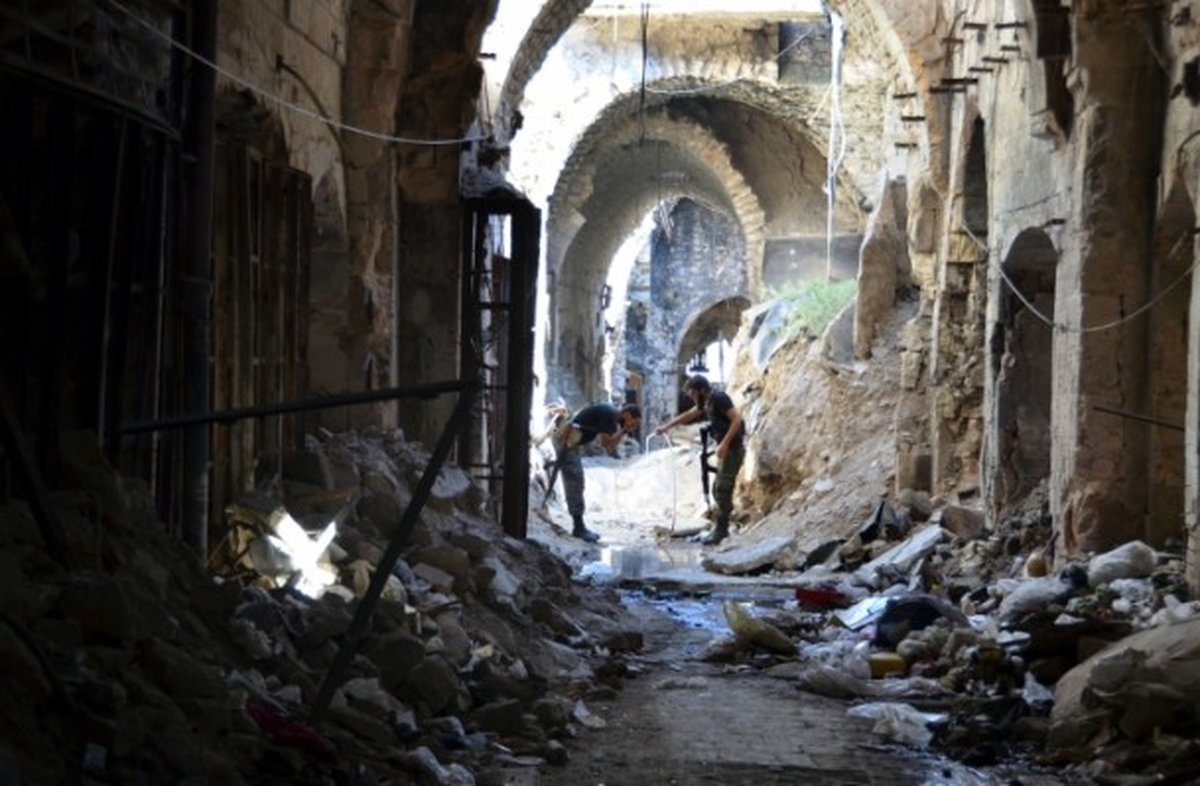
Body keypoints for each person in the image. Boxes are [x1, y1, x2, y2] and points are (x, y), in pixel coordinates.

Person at [655, 374, 744, 545]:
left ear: (702, 390)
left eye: (694, 394)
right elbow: (690, 414)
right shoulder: (707, 402)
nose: (693, 398)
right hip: (726, 450)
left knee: (722, 489)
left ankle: (721, 530)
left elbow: (736, 419)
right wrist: (667, 427)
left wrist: (724, 444)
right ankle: (720, 526)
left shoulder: (719, 398)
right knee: (718, 489)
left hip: (732, 449)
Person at [553, 402, 642, 542]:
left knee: (576, 480)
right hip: (566, 441)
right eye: (634, 423)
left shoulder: (610, 414)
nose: (634, 428)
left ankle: (579, 525)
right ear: (627, 415)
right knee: (575, 481)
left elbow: (606, 443)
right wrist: (624, 429)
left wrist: (623, 429)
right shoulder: (610, 416)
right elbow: (607, 444)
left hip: (571, 442)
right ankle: (578, 527)